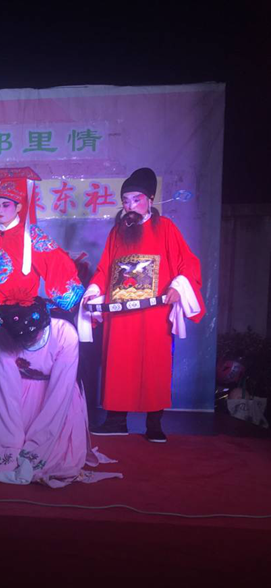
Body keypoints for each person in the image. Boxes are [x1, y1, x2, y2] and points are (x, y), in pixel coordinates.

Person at [81, 167, 204, 442]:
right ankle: (116, 420)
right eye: (125, 201)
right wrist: (93, 290)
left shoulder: (166, 228)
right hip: (120, 314)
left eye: (136, 200)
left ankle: (154, 424)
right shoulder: (118, 232)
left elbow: (187, 262)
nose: (129, 206)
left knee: (155, 363)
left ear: (150, 199)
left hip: (154, 312)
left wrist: (178, 286)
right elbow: (104, 268)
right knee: (118, 363)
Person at [0, 167, 84, 414]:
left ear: (19, 207)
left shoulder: (31, 235)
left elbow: (57, 261)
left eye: (6, 205)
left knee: (14, 361)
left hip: (19, 314)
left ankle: (13, 411)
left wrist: (66, 295)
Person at [0, 297, 122, 487]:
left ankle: (43, 451)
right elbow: (6, 394)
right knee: (9, 454)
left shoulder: (65, 334)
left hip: (58, 395)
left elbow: (60, 392)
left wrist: (35, 449)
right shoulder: (7, 333)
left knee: (57, 463)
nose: (28, 340)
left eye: (33, 334)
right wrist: (9, 449)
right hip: (22, 393)